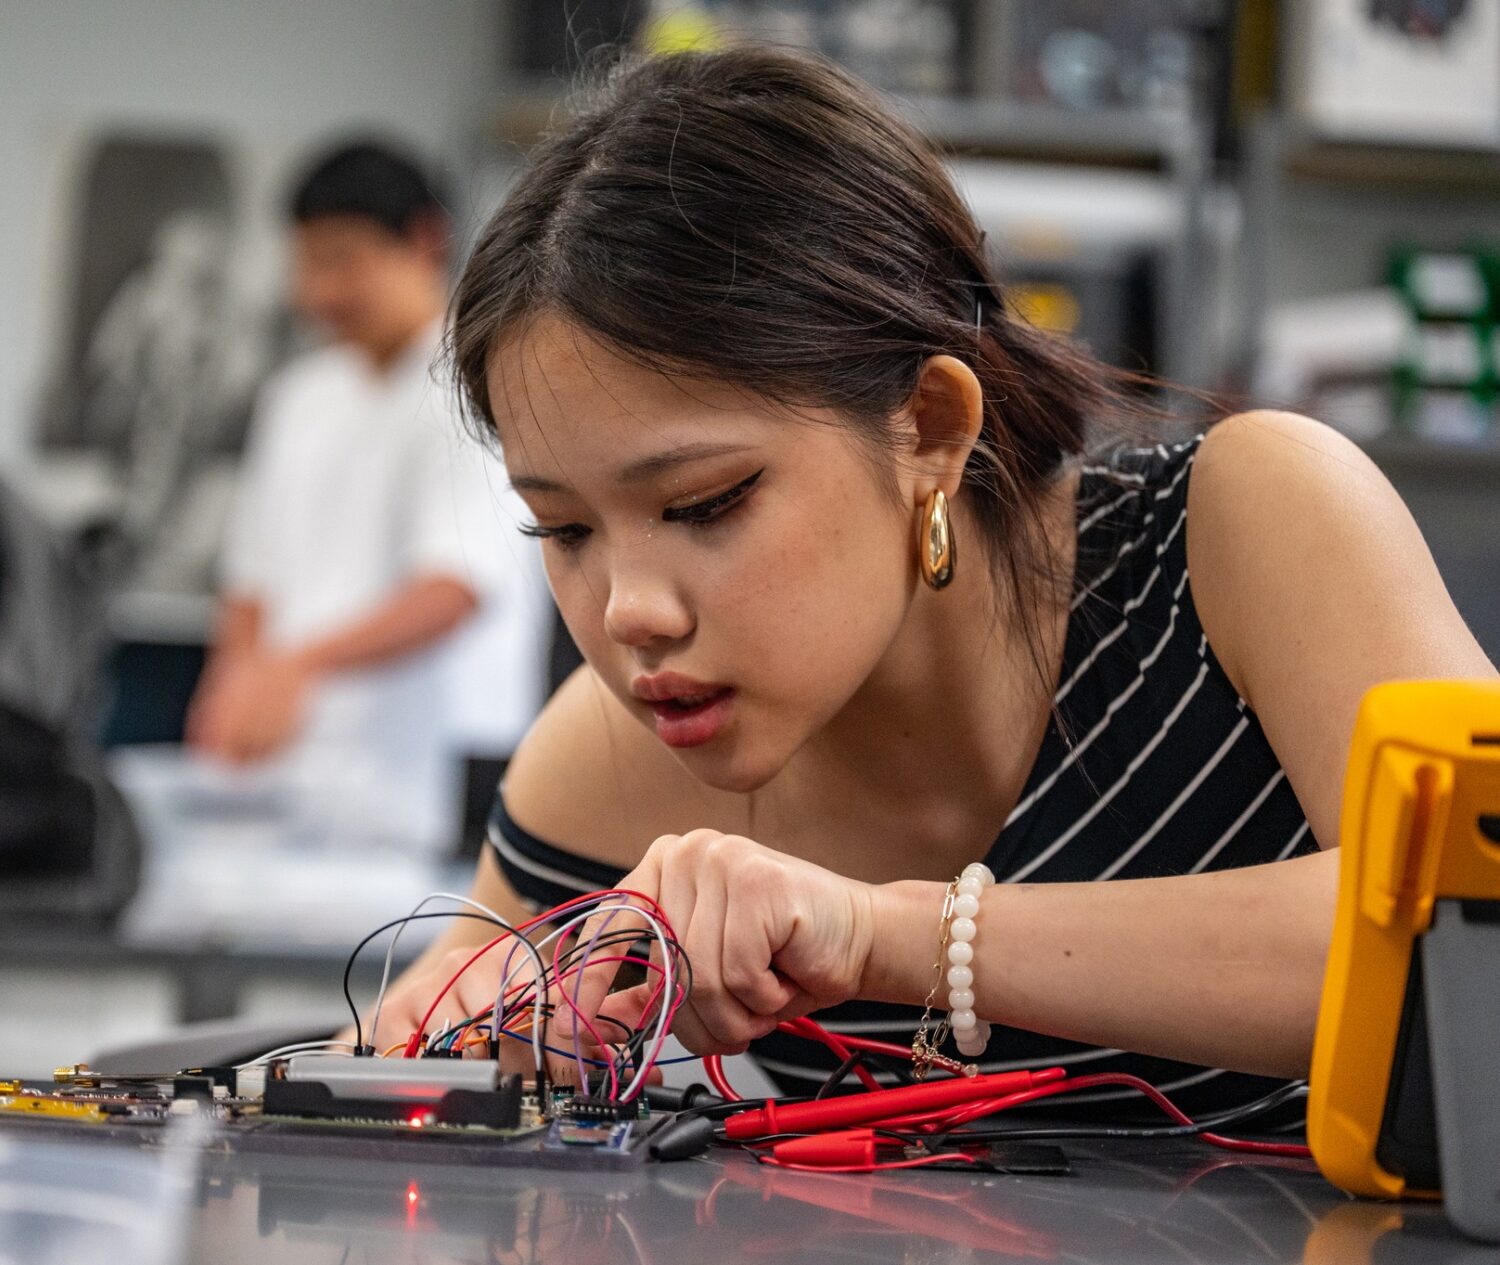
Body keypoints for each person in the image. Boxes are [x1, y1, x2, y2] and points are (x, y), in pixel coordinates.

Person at [368, 48, 1497, 1111]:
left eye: (706, 502)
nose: (629, 613)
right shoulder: (608, 767)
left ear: (931, 427)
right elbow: (402, 1069)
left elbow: (1472, 948)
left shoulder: (1240, 528)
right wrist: (476, 1045)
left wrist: (880, 935)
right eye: (561, 530)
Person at [187, 140, 542, 851]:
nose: (318, 292)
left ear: (423, 241)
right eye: (307, 262)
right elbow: (252, 580)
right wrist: (229, 687)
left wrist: (296, 666)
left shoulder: (477, 384)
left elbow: (458, 585)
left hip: (432, 789)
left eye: (342, 260)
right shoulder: (299, 398)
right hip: (293, 782)